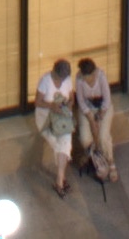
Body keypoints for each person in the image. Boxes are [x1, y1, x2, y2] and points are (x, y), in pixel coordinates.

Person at [34, 58, 77, 193]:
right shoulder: (45, 81)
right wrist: (52, 106)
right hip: (46, 117)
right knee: (60, 145)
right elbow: (38, 102)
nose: (62, 81)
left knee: (65, 142)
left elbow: (71, 98)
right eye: (60, 78)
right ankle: (61, 180)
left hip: (62, 118)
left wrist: (68, 106)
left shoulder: (67, 80)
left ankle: (59, 181)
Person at [74, 58, 115, 182]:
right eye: (85, 79)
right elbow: (81, 101)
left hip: (103, 109)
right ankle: (96, 158)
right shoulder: (79, 79)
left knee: (103, 137)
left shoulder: (101, 76)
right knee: (85, 138)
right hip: (87, 110)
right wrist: (91, 120)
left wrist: (99, 117)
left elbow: (107, 100)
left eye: (90, 78)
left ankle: (110, 162)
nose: (88, 81)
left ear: (95, 73)